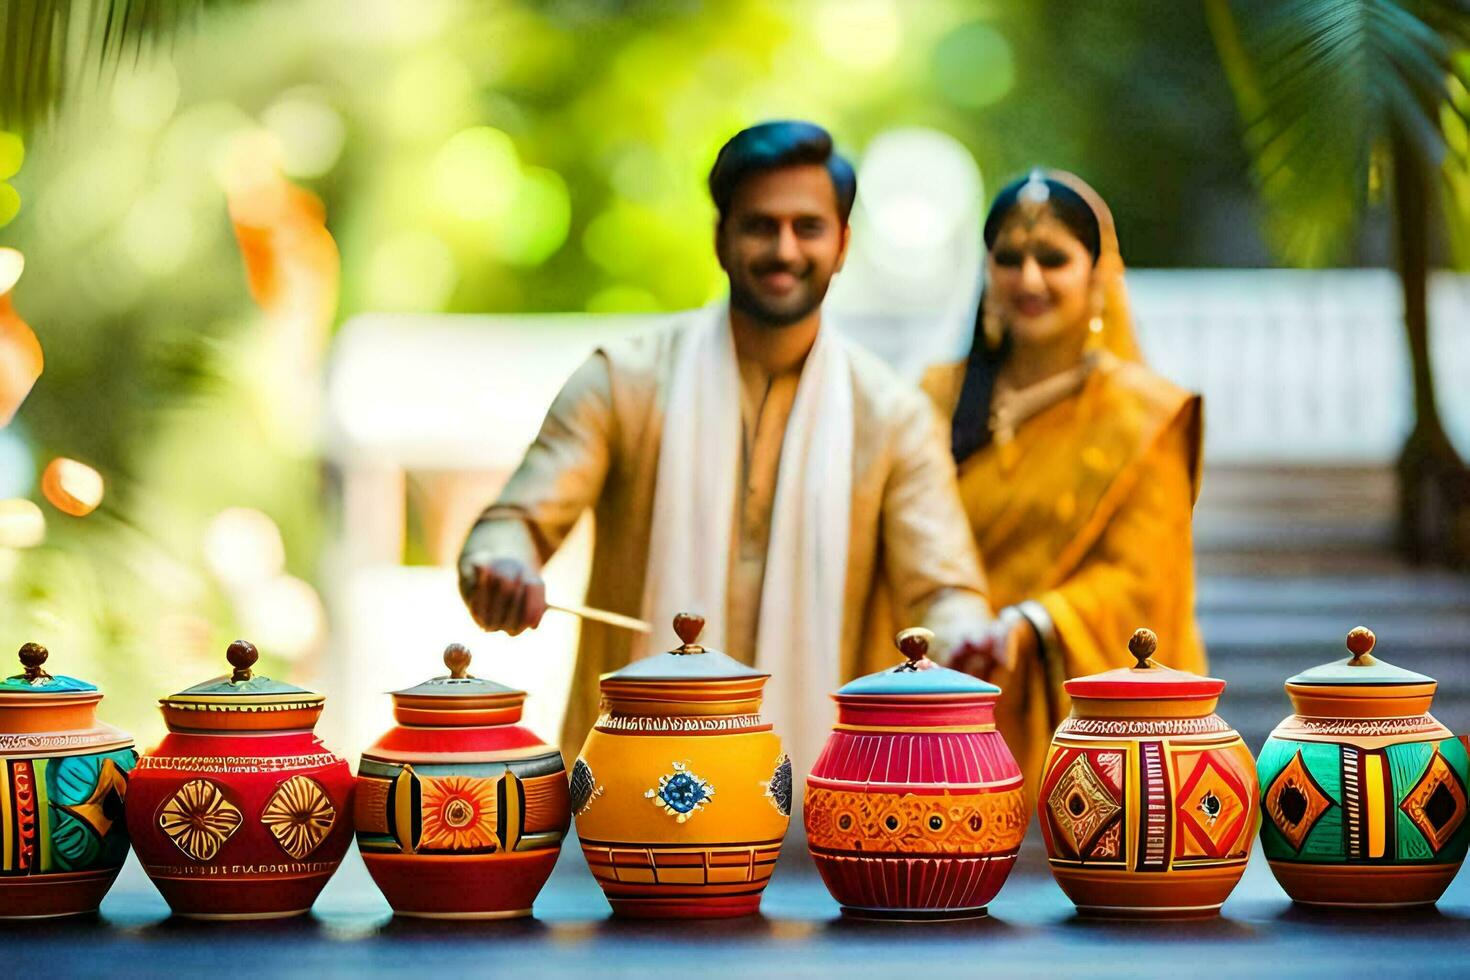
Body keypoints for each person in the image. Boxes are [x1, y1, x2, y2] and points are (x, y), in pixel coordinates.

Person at [459, 121, 992, 769]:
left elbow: (941, 586)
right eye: (760, 226)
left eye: (809, 227)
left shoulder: (891, 416)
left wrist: (965, 638)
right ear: (720, 238)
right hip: (626, 791)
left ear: (843, 243)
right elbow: (515, 522)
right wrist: (501, 565)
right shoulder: (624, 380)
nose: (784, 249)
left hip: (819, 809)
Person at [926, 169, 1206, 791]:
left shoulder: (1141, 415)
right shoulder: (933, 398)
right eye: (1009, 258)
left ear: (1097, 277)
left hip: (1078, 733)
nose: (1028, 279)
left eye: (1052, 259)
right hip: (940, 697)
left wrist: (1031, 625)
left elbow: (1141, 578)